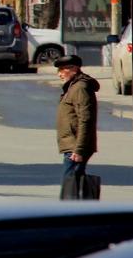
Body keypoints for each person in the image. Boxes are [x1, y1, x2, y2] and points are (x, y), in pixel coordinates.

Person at [54, 55, 98, 198]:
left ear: (74, 69)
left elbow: (86, 120)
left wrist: (79, 149)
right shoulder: (73, 86)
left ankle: (70, 215)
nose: (59, 74)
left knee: (70, 188)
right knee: (73, 185)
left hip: (75, 147)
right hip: (72, 145)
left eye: (62, 70)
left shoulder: (80, 88)